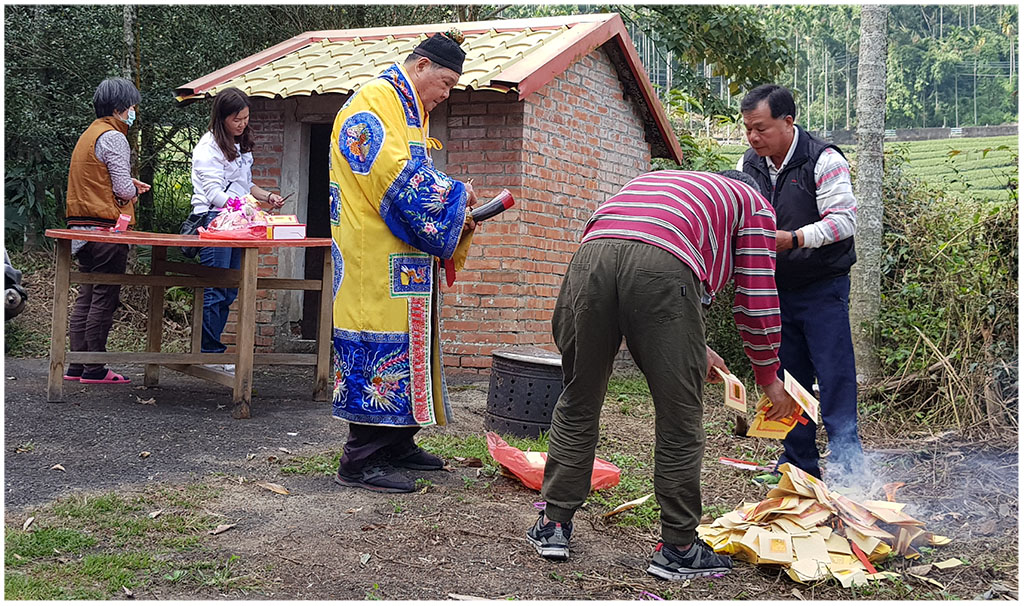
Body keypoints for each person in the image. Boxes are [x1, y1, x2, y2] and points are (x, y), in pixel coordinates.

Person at [526, 170, 801, 581]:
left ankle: (553, 525)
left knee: (579, 396)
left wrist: (696, 345)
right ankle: (679, 548)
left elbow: (628, 252)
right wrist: (768, 377)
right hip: (662, 266)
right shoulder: (753, 202)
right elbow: (754, 299)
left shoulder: (662, 184)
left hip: (591, 258)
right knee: (679, 416)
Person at [327, 30, 477, 493]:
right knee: (375, 339)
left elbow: (416, 171)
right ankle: (361, 458)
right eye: (446, 83)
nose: (446, 95)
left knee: (409, 341)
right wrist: (453, 196)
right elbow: (391, 174)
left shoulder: (411, 112)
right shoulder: (373, 103)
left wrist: (453, 197)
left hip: (403, 255)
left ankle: (397, 443)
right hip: (372, 255)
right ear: (421, 67)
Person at [737, 84, 865, 479]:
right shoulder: (749, 165)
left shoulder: (823, 159)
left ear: (788, 121)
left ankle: (848, 467)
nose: (753, 138)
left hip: (823, 286)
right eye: (747, 130)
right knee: (789, 377)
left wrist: (792, 239)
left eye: (761, 128)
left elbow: (844, 221)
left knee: (834, 374)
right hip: (775, 289)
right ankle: (798, 464)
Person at [188, 87, 285, 371]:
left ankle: (213, 351)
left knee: (230, 289)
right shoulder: (208, 148)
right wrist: (244, 206)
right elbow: (214, 193)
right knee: (215, 288)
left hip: (237, 222)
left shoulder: (241, 145)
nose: (242, 124)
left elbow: (246, 186)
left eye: (245, 118)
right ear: (222, 118)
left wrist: (266, 197)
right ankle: (209, 353)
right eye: (236, 119)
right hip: (213, 221)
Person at [63, 77, 151, 385]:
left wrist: (126, 186)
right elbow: (122, 189)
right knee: (104, 297)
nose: (133, 111)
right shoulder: (115, 138)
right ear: (119, 108)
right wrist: (132, 189)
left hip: (80, 231)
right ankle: (95, 368)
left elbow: (96, 180)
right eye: (131, 106)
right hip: (105, 232)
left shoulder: (89, 134)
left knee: (86, 295)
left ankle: (76, 365)